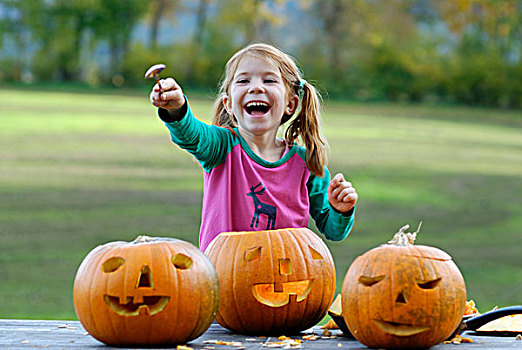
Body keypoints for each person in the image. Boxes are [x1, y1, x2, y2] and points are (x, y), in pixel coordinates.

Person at [149, 43, 358, 251]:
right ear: (228, 104)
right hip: (224, 277)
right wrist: (177, 109)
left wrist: (341, 210)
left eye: (269, 80)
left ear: (290, 104)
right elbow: (191, 134)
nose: (256, 87)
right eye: (243, 80)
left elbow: (333, 230)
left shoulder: (306, 164)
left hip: (287, 278)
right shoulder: (221, 147)